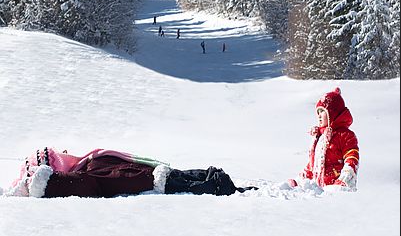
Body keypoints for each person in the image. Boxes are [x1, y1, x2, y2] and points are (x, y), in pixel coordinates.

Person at [2, 147, 257, 198]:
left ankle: (247, 193)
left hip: (157, 175)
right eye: (60, 156)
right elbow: (83, 187)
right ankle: (246, 193)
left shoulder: (90, 160)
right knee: (214, 184)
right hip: (157, 182)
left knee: (211, 177)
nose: (66, 153)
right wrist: (40, 184)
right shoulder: (84, 173)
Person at [289, 87, 359, 192]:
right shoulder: (320, 137)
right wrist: (300, 181)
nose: (319, 116)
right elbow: (313, 166)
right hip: (320, 192)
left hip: (335, 191)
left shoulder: (345, 135)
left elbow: (352, 158)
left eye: (322, 111)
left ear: (333, 113)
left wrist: (344, 181)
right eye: (318, 112)